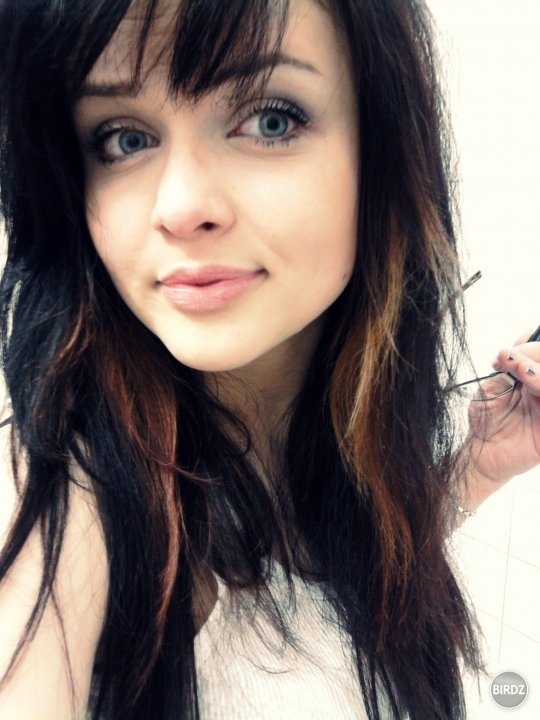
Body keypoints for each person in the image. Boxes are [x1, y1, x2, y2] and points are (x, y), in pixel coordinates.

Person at [0, 0, 538, 718]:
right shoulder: (60, 485)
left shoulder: (328, 429)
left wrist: (478, 468)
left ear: (379, 153)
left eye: (269, 120)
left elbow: (319, 588)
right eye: (124, 139)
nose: (180, 207)